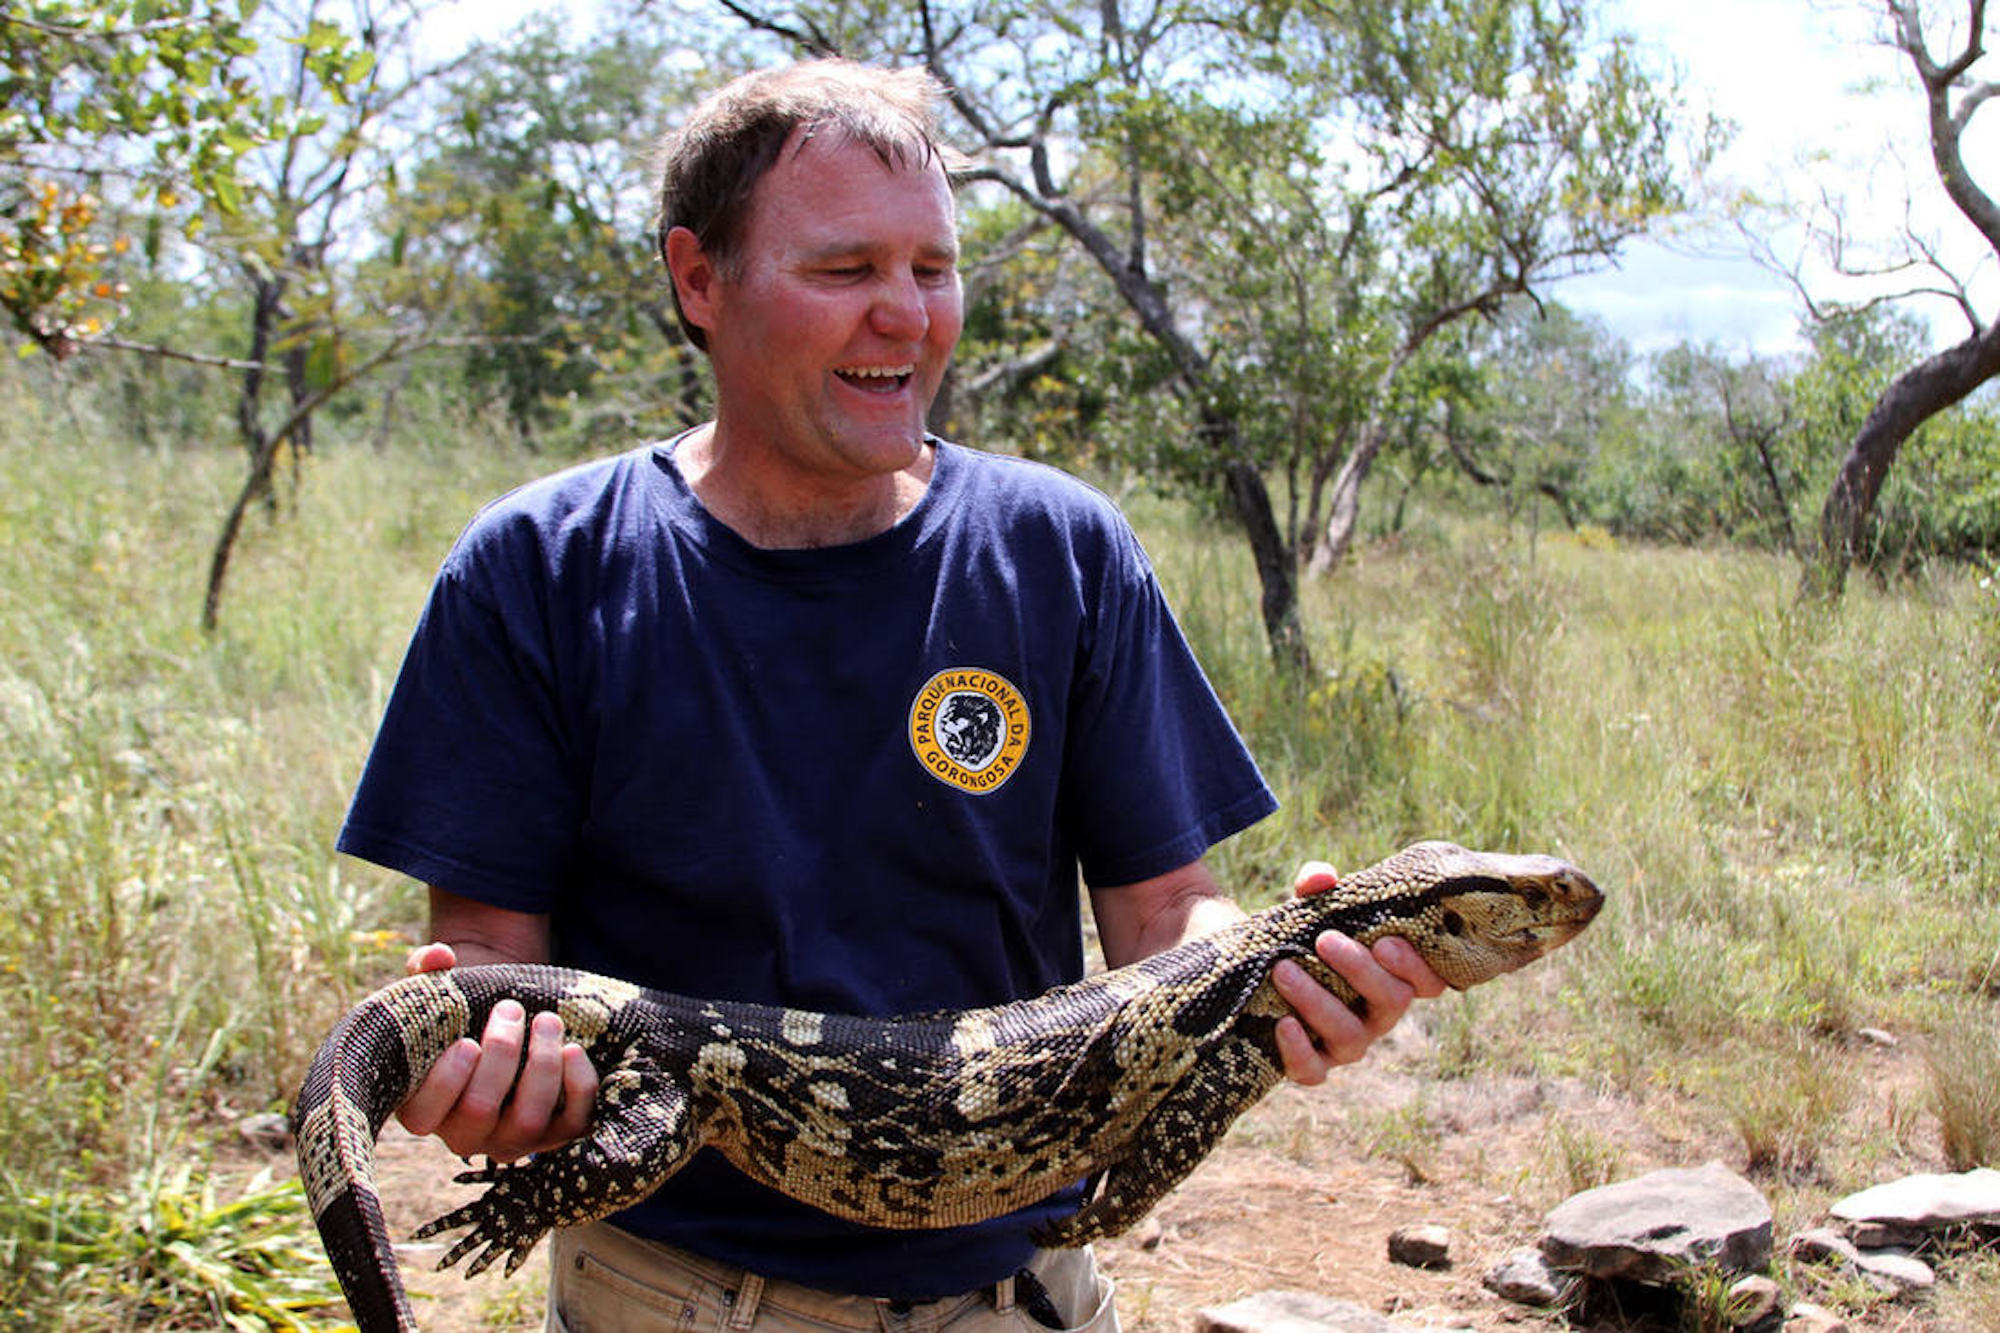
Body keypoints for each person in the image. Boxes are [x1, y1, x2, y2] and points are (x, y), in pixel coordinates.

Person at [336, 58, 1445, 1333]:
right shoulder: (538, 570)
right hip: (676, 1298)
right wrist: (483, 1074)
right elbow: (488, 959)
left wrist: (1264, 979)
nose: (906, 317)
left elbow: (1166, 909)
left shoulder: (1059, 548)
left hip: (1020, 1295)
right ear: (698, 281)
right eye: (845, 269)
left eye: (931, 268)